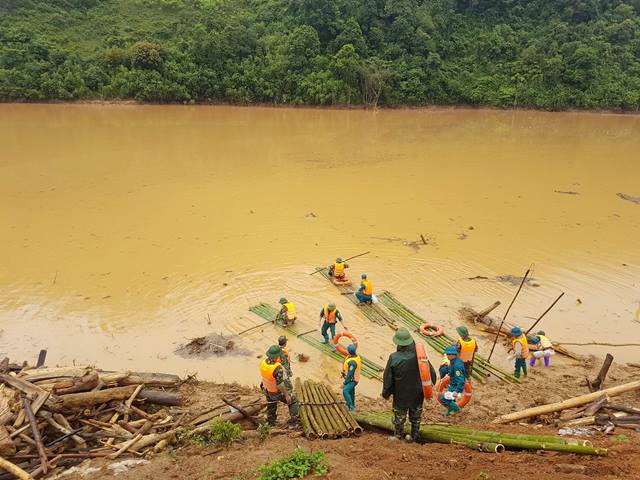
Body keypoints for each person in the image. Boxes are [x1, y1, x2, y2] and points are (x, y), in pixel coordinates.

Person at [382, 327, 424, 442]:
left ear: (398, 343)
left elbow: (388, 378)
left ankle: (398, 436)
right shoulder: (420, 356)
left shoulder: (394, 357)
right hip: (417, 393)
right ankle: (414, 436)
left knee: (399, 417)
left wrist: (386, 393)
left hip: (401, 394)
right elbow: (430, 374)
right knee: (416, 417)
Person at [259, 345, 299, 426]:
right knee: (293, 400)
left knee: (271, 404)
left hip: (267, 390)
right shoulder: (277, 368)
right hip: (276, 392)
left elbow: (264, 376)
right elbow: (280, 384)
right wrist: (287, 395)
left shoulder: (263, 363)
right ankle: (293, 422)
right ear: (277, 356)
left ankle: (271, 422)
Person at [441, 345, 466, 416]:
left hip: (455, 386)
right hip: (452, 383)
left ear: (453, 355)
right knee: (450, 400)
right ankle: (449, 412)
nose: (447, 356)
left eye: (448, 354)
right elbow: (452, 371)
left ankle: (457, 409)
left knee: (443, 399)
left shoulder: (457, 365)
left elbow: (461, 379)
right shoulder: (454, 361)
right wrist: (448, 374)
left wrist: (457, 391)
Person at [342, 344, 361, 412]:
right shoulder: (354, 357)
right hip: (353, 378)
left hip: (352, 380)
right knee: (351, 392)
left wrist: (345, 382)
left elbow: (350, 373)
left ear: (349, 352)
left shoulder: (352, 362)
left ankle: (351, 407)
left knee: (345, 391)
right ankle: (352, 404)